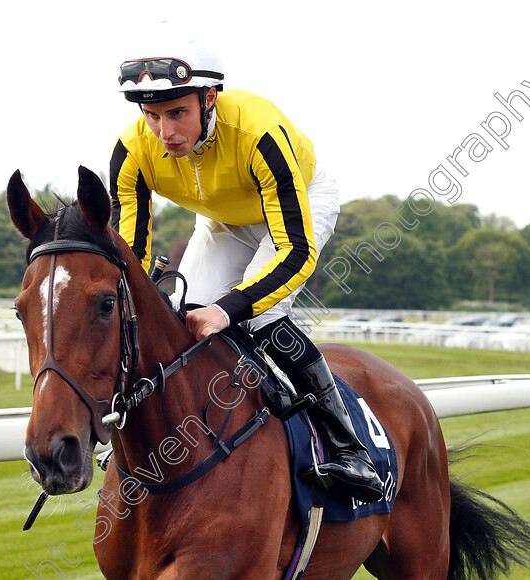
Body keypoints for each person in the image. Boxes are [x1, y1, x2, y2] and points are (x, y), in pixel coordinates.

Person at [109, 38, 383, 503]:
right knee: (184, 313)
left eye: (177, 112)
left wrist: (229, 308)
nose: (163, 131)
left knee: (257, 315)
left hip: (299, 201)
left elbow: (295, 252)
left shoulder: (259, 132)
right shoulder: (132, 151)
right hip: (224, 219)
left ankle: (348, 445)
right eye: (151, 115)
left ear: (209, 98)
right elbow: (128, 255)